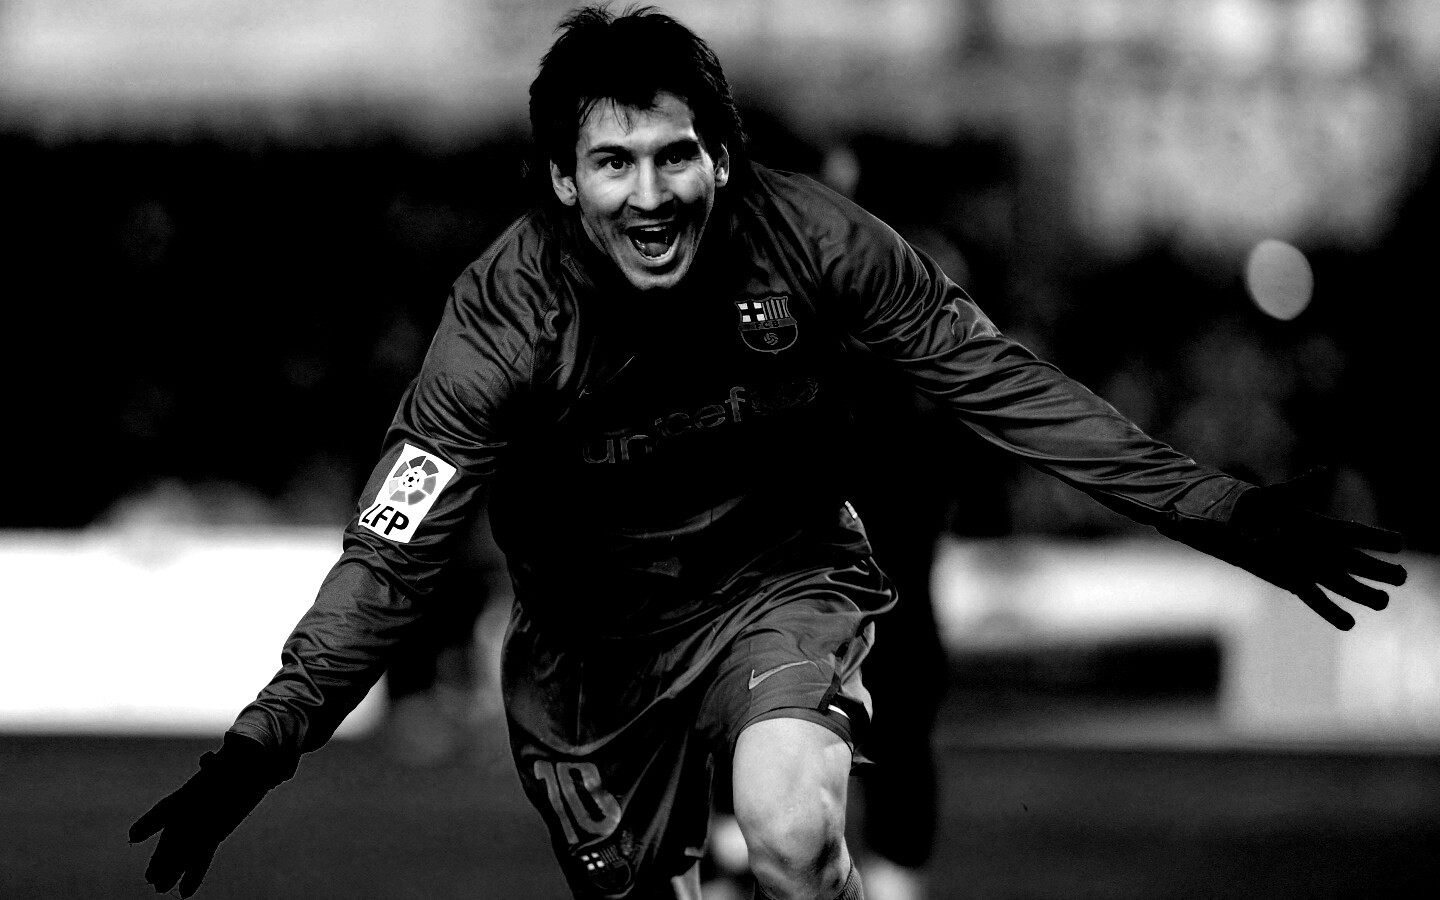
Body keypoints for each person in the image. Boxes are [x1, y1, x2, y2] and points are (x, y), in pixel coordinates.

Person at [128, 6, 1407, 899]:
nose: (650, 195)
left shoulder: (818, 243)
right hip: (588, 654)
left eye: (675, 155)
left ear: (723, 156)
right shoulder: (500, 325)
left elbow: (1005, 387)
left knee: (794, 836)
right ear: (562, 182)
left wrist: (1218, 509)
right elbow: (390, 555)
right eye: (612, 163)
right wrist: (266, 739)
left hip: (776, 581)